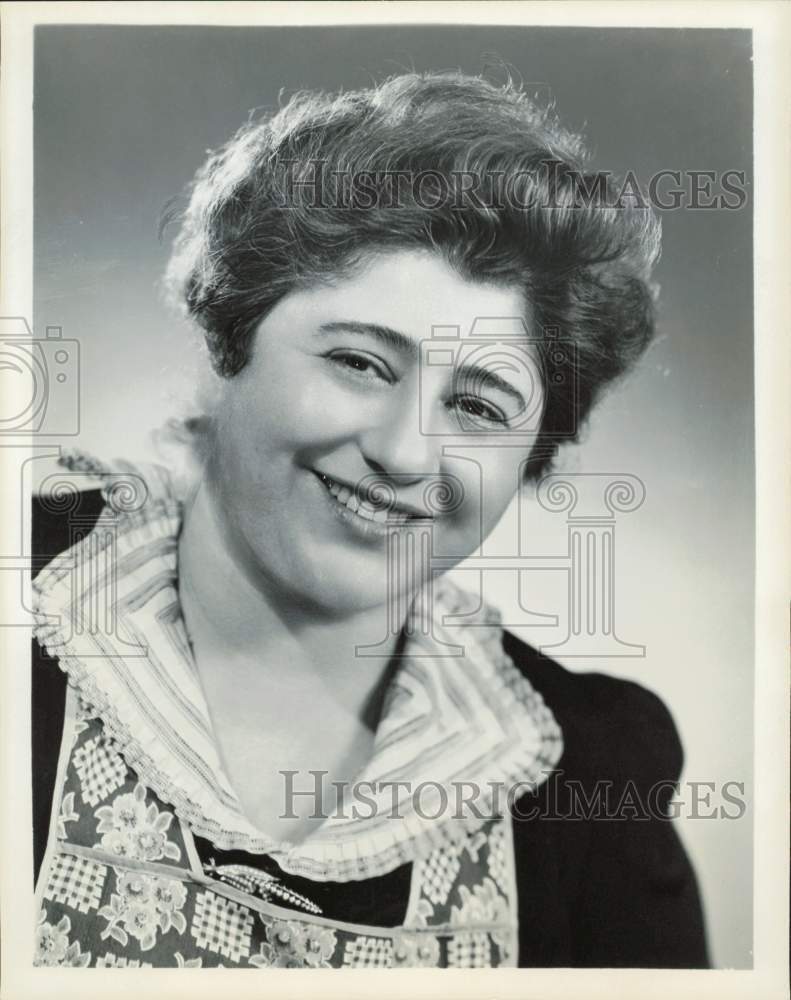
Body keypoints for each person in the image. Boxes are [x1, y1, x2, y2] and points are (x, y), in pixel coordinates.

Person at [31, 71, 709, 969]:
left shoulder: (579, 770)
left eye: (477, 406)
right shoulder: (34, 591)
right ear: (230, 344)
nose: (405, 452)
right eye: (359, 362)